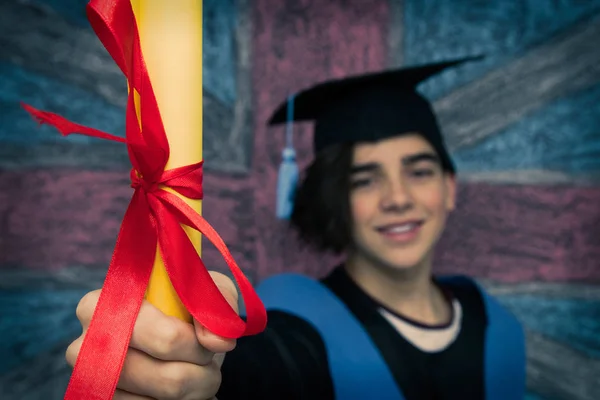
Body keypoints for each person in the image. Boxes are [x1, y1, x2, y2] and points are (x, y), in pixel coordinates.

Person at [67, 57, 526, 400]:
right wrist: (187, 367)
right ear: (334, 199)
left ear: (449, 188)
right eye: (363, 179)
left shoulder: (495, 322)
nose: (398, 197)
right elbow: (244, 373)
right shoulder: (292, 328)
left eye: (419, 171)